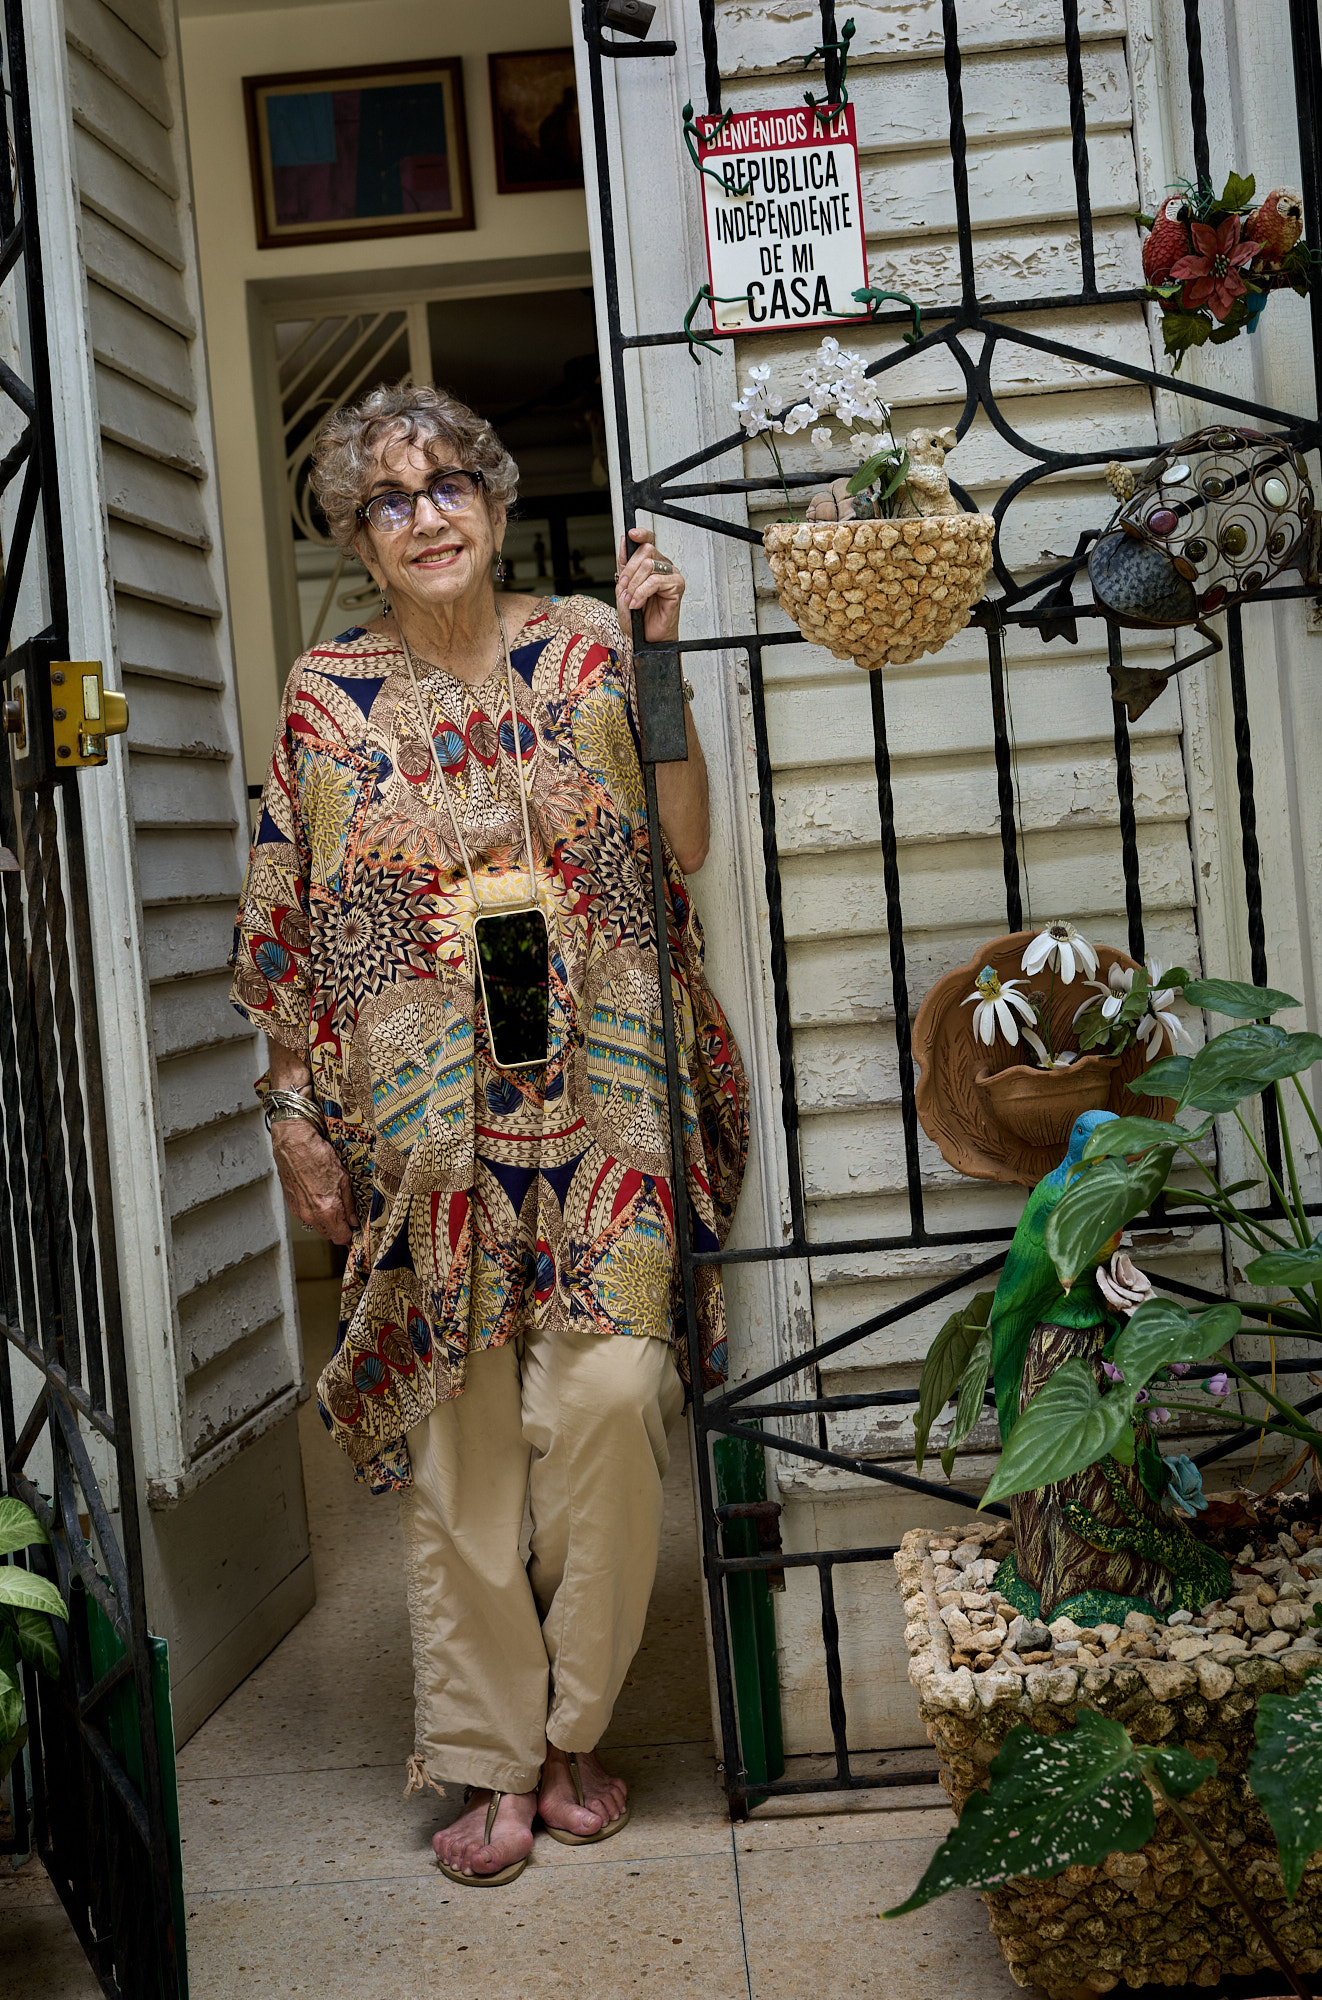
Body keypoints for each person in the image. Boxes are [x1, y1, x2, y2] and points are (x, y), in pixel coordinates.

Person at [230, 383, 747, 1886]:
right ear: (357, 538)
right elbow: (284, 913)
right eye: (388, 500)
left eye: (449, 483)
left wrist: (660, 661)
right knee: (461, 1453)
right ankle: (497, 1759)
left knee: (611, 1404)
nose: (426, 516)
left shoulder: (588, 644)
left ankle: (575, 1723)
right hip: (425, 1130)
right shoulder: (329, 693)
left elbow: (685, 839)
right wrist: (290, 1109)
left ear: (499, 501)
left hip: (608, 1104)